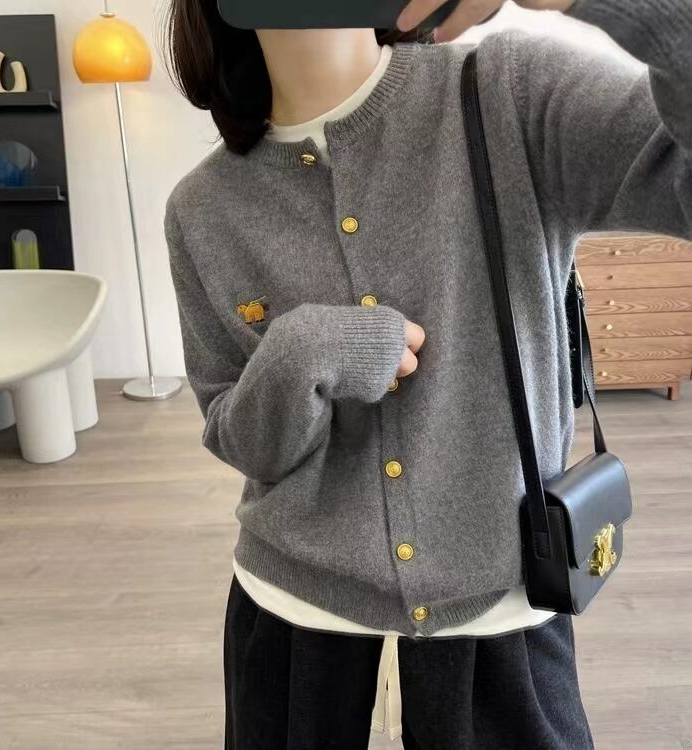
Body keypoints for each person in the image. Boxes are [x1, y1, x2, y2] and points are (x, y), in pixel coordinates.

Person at [162, 0, 691, 747]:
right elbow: (244, 442)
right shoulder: (202, 208)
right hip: (289, 624)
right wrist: (302, 351)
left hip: (500, 620)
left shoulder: (509, 92)